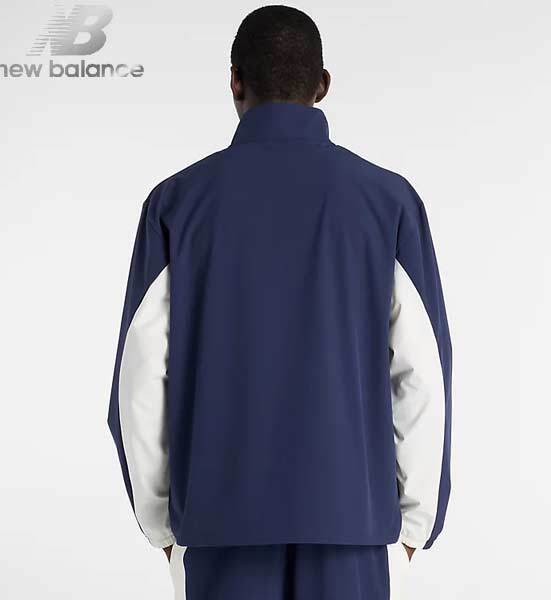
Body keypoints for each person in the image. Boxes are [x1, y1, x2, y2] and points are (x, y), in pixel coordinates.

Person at [108, 5, 452, 600]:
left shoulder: (177, 204)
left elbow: (139, 383)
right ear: (323, 85)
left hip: (218, 528)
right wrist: (415, 524)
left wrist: (161, 524)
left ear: (235, 82)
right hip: (354, 529)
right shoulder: (388, 202)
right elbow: (422, 376)